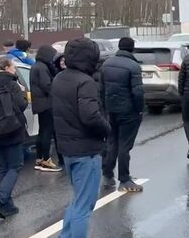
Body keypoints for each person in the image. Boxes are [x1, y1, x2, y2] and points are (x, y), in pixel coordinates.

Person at [52, 38, 111, 238]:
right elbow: (90, 116)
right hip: (86, 151)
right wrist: (107, 129)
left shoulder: (59, 78)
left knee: (78, 200)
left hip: (67, 148)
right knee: (84, 206)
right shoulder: (85, 82)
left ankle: (65, 236)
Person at [0, 57, 29, 219]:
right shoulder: (12, 84)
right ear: (7, 68)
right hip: (12, 131)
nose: (15, 69)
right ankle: (0, 199)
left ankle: (7, 205)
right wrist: (23, 92)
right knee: (15, 165)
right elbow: (22, 106)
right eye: (14, 67)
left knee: (3, 167)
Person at [100, 37, 145, 192]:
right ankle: (124, 179)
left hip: (111, 110)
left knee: (112, 142)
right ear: (132, 48)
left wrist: (105, 108)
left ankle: (107, 174)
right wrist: (140, 109)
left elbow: (101, 89)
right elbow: (138, 92)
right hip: (129, 111)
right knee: (125, 145)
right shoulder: (133, 66)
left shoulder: (106, 64)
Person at [31, 45, 63, 173]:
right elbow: (47, 85)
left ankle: (39, 158)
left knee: (42, 131)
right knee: (47, 132)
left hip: (39, 104)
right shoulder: (43, 67)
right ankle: (46, 159)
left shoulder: (36, 66)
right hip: (47, 104)